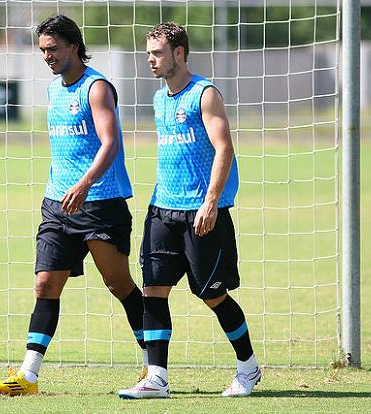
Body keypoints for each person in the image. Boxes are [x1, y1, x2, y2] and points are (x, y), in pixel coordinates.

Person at [0, 15, 147, 396]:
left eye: (53, 48)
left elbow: (110, 143)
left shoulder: (97, 88)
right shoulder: (53, 89)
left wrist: (84, 184)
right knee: (45, 285)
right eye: (43, 50)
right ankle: (27, 376)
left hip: (100, 203)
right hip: (57, 204)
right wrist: (64, 189)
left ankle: (151, 363)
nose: (47, 56)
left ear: (74, 46)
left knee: (118, 284)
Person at [118, 22, 261, 399]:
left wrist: (211, 201)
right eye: (148, 53)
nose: (150, 60)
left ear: (178, 53)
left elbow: (224, 148)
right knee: (153, 290)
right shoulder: (159, 99)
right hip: (162, 211)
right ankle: (157, 378)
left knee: (213, 295)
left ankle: (248, 367)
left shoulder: (204, 94)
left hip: (201, 214)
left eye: (157, 53)